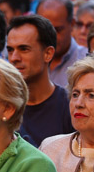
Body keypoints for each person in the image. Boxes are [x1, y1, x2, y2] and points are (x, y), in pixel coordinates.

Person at [6, 15, 73, 147]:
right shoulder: (1, 104)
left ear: (48, 54)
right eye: (10, 50)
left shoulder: (71, 105)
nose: (14, 58)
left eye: (24, 49)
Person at [38, 0, 88, 88]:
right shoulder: (28, 57)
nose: (51, 36)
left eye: (58, 30)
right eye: (44, 30)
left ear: (72, 24)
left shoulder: (87, 61)